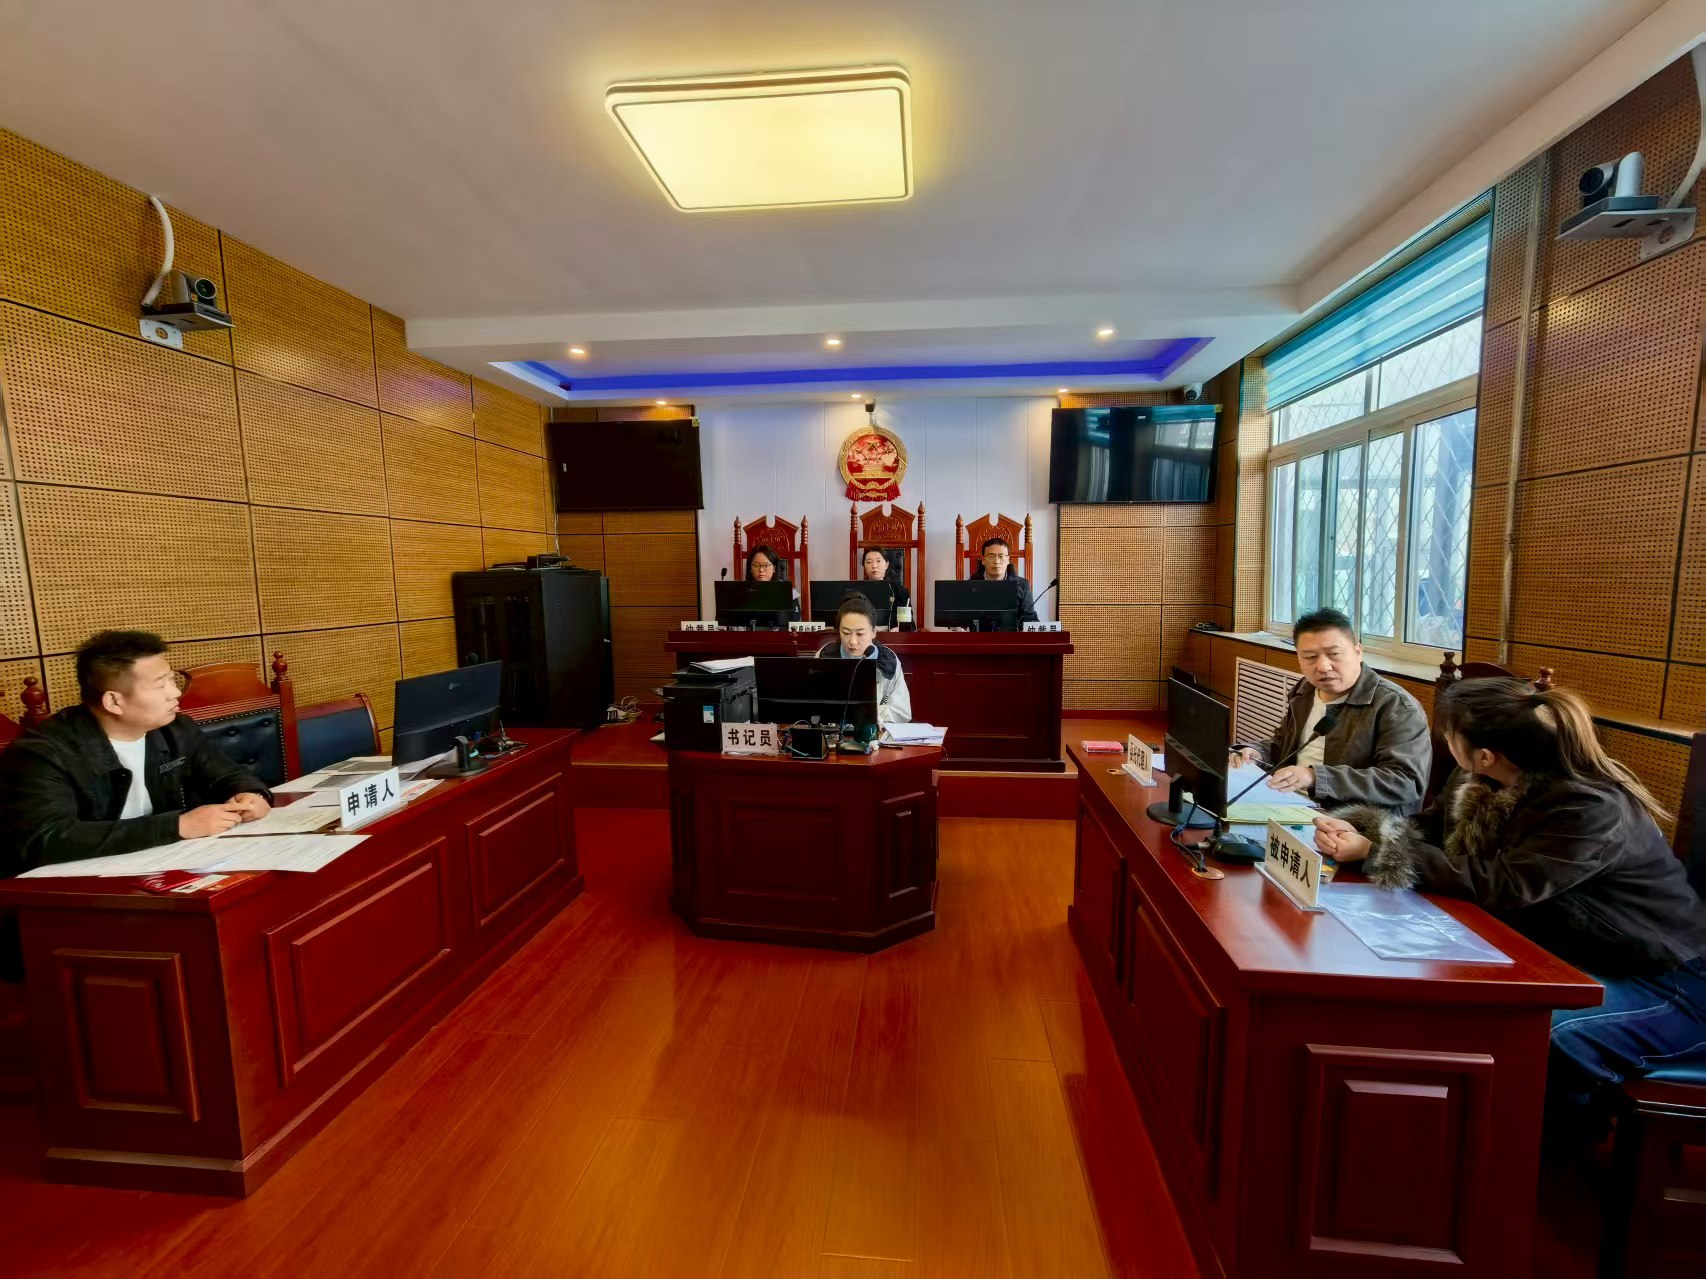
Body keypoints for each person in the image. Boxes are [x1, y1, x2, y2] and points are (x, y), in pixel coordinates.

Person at [1313, 678, 1706, 1141]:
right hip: (1577, 955)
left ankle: (1544, 1154)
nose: (1444, 739)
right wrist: (1366, 834)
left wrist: (1379, 851)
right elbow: (1430, 829)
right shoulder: (1481, 778)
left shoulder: (1589, 807)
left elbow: (1504, 885)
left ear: (1485, 754)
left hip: (1669, 978)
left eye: (1448, 733)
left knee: (1546, 1036)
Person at [0, 631, 274, 980]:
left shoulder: (175, 729)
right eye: (160, 684)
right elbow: (47, 838)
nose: (175, 693)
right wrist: (177, 826)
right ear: (114, 701)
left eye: (171, 680)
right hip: (66, 906)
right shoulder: (44, 753)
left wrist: (253, 794)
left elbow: (227, 773)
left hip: (149, 877)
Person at [1232, 608, 1430, 814]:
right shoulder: (1304, 690)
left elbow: (1405, 782)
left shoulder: (1396, 706)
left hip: (1353, 821)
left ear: (1358, 651)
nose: (1323, 666)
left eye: (1334, 654)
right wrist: (1256, 751)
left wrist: (1315, 777)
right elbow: (1283, 744)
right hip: (1290, 801)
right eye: (1310, 657)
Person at [815, 594, 912, 725]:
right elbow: (813, 704)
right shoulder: (825, 656)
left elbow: (902, 712)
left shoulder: (888, 661)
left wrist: (870, 713)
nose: (852, 642)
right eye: (846, 633)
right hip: (832, 732)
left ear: (874, 632)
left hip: (873, 731)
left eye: (860, 633)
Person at [968, 536, 1038, 624]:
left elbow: (1030, 619)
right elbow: (962, 620)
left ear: (1008, 560)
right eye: (991, 556)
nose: (997, 561)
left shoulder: (1022, 585)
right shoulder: (970, 586)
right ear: (983, 560)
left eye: (1001, 556)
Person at [745, 544, 801, 621]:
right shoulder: (743, 591)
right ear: (750, 569)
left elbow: (795, 618)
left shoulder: (788, 591)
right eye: (756, 565)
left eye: (766, 565)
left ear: (774, 568)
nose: (761, 570)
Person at [860, 545, 911, 625]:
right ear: (864, 566)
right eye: (869, 562)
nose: (874, 566)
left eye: (878, 561)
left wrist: (899, 628)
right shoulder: (856, 591)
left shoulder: (901, 592)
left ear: (886, 565)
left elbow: (909, 624)